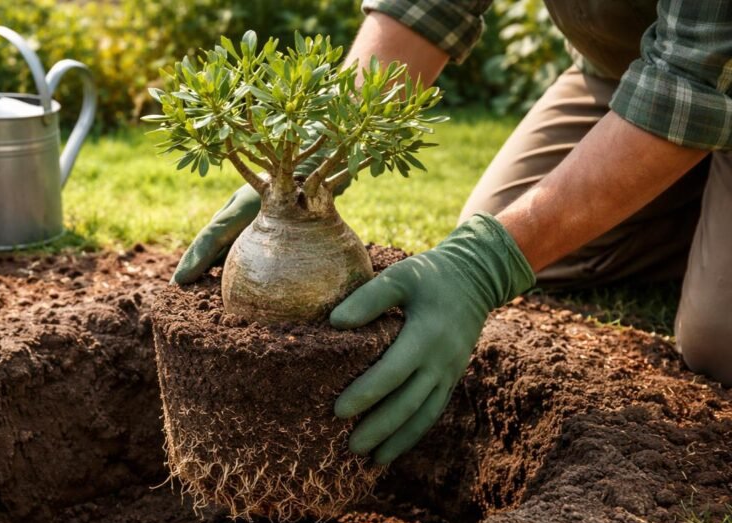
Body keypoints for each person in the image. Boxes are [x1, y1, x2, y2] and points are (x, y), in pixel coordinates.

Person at [169, 1, 732, 465]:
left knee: (718, 338)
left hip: (692, 78)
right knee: (514, 226)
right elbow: (429, 7)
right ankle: (691, 190)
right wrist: (316, 144)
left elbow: (691, 72)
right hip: (622, 77)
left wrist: (482, 265)